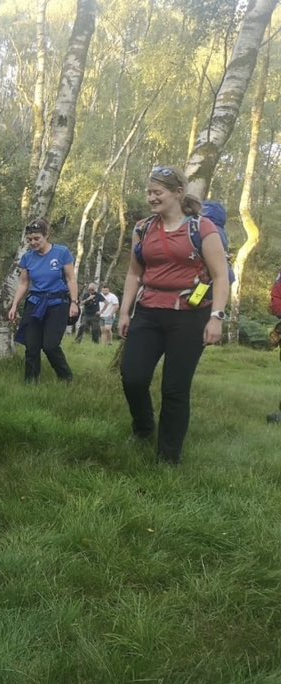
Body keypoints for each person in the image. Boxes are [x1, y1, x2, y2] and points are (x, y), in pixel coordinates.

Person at [118, 165, 229, 464]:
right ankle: (143, 428)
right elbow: (133, 274)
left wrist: (216, 317)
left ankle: (168, 457)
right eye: (149, 192)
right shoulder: (142, 229)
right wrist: (124, 312)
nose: (151, 198)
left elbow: (220, 276)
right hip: (149, 312)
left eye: (158, 192)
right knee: (133, 377)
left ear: (178, 193)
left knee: (175, 388)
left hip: (189, 316)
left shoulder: (202, 228)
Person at [9, 218, 79, 383]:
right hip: (35, 303)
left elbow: (71, 279)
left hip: (58, 303)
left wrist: (74, 302)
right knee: (31, 346)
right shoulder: (28, 258)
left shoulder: (62, 252)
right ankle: (31, 382)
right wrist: (14, 305)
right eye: (30, 239)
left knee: (50, 346)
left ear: (46, 235)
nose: (33, 242)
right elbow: (24, 283)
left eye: (37, 238)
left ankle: (66, 378)